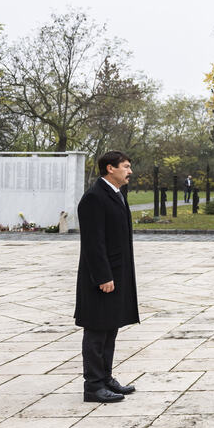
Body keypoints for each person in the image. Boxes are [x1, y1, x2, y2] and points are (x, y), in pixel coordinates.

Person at [75, 151, 141, 403]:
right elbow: (93, 243)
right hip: (99, 278)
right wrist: (103, 276)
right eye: (126, 166)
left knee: (110, 327)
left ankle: (105, 378)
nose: (130, 171)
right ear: (110, 168)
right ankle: (92, 385)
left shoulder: (117, 194)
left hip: (117, 273)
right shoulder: (94, 198)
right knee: (96, 330)